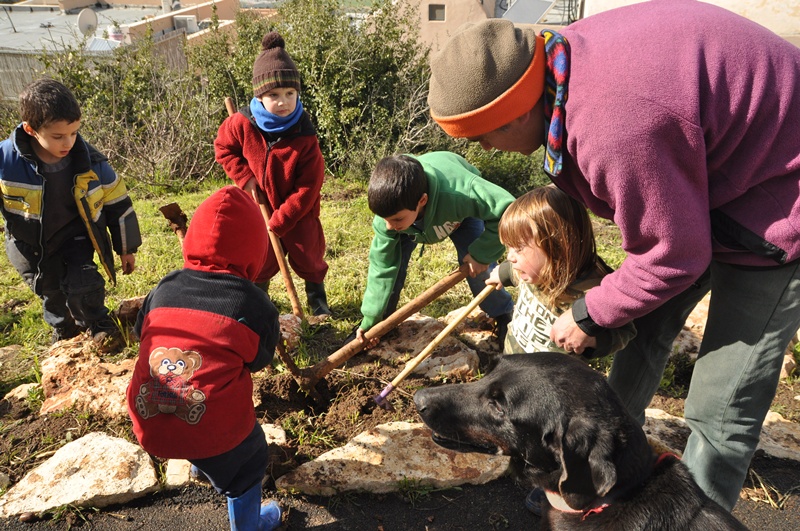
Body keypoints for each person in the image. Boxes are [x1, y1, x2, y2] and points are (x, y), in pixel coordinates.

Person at [425, 0, 800, 512]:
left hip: (779, 201)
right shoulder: (561, 66)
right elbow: (665, 234)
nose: (486, 149)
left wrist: (590, 311)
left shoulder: (614, 124)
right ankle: (593, 475)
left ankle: (686, 521)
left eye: (485, 133)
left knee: (718, 411)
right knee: (638, 330)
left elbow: (673, 256)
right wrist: (606, 307)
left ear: (520, 105)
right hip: (711, 189)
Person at [126, 185, 283, 531]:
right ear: (255, 251)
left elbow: (141, 335)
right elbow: (257, 361)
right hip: (209, 424)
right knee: (249, 458)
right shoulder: (253, 303)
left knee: (194, 412)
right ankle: (250, 524)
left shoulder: (164, 287)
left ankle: (200, 463)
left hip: (147, 415)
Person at [0, 78, 140, 344]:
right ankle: (64, 330)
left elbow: (117, 202)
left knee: (85, 281)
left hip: (75, 234)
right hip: (29, 244)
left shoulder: (90, 160)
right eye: (58, 136)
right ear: (31, 130)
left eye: (74, 133)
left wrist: (126, 247)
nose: (69, 142)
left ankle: (98, 323)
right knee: (49, 291)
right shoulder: (5, 162)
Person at [215, 31, 330, 316]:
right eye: (274, 95)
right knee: (262, 258)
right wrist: (245, 177)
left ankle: (317, 298)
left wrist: (280, 220)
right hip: (259, 208)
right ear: (260, 95)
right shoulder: (241, 123)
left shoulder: (304, 135)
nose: (284, 102)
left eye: (290, 94)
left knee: (308, 256)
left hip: (298, 212)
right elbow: (224, 149)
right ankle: (259, 299)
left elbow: (308, 188)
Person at [352, 152, 515, 346]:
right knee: (393, 271)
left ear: (422, 200)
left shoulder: (461, 192)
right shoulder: (391, 213)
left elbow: (508, 210)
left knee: (478, 271)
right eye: (384, 219)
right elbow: (382, 267)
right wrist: (371, 319)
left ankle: (503, 314)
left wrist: (482, 253)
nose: (388, 226)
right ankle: (383, 323)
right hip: (412, 224)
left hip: (460, 215)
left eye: (395, 219)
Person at [487, 185, 635, 357]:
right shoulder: (530, 270)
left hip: (549, 378)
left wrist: (593, 339)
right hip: (512, 354)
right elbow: (513, 271)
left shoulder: (595, 292)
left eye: (519, 248)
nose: (510, 257)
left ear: (557, 247)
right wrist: (502, 274)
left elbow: (625, 332)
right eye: (509, 248)